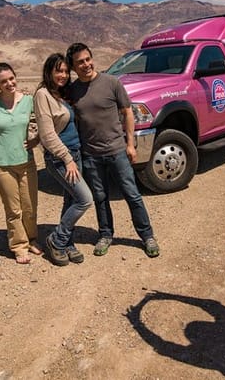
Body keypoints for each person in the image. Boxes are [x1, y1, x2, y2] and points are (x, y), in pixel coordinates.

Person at [65, 42, 160, 258]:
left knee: (132, 194)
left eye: (88, 59)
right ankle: (105, 234)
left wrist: (129, 145)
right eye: (80, 62)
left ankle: (147, 236)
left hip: (117, 150)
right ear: (73, 67)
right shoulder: (73, 91)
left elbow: (127, 112)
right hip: (91, 155)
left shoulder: (111, 82)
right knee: (100, 197)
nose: (86, 64)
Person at [34, 53, 93, 266]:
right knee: (84, 199)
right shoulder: (43, 94)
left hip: (75, 153)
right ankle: (56, 240)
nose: (63, 75)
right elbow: (48, 133)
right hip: (60, 158)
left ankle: (67, 242)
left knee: (71, 200)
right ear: (49, 71)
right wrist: (67, 159)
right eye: (59, 70)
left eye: (66, 71)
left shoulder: (61, 94)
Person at [0, 62, 42, 265]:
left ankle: (31, 239)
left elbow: (46, 121)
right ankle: (19, 246)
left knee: (29, 206)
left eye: (11, 78)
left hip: (26, 161)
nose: (10, 83)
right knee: (13, 209)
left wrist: (37, 140)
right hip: (2, 164)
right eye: (4, 81)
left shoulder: (28, 101)